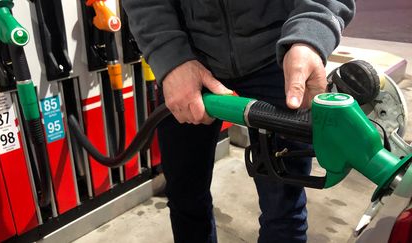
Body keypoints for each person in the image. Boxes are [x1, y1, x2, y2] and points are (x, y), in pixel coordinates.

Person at [123, 1, 355, 242]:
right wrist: (169, 56)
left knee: (283, 207)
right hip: (187, 59)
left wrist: (310, 33)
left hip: (278, 56)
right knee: (186, 198)